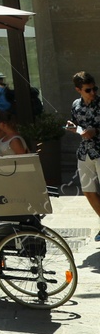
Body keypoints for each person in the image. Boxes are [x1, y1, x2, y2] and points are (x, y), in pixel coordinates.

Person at [67, 71, 100, 240]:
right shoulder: (76, 105)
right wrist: (72, 127)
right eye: (88, 90)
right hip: (85, 152)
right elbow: (76, 124)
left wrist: (96, 131)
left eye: (94, 88)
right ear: (78, 90)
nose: (93, 92)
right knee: (88, 190)